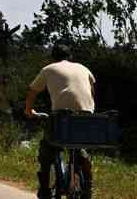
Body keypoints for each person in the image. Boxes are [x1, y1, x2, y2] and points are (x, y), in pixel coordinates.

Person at [25, 43, 96, 199]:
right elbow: (92, 92)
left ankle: (44, 189)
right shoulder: (84, 68)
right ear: (70, 56)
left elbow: (32, 91)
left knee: (47, 149)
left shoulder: (49, 69)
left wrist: (29, 111)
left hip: (62, 117)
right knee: (79, 147)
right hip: (86, 118)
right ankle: (89, 185)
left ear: (53, 57)